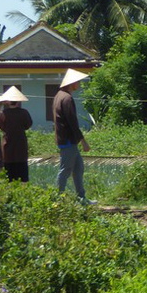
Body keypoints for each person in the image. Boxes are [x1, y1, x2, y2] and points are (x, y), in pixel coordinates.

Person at [53, 68, 91, 200]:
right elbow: (72, 122)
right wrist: (83, 141)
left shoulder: (59, 95)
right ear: (72, 83)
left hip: (65, 138)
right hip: (68, 139)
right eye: (78, 82)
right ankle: (57, 198)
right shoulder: (67, 98)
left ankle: (81, 197)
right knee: (65, 170)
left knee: (78, 168)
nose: (79, 84)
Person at [0, 86, 33, 182]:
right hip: (20, 147)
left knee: (8, 177)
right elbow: (28, 125)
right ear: (18, 101)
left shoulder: (2, 114)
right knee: (23, 178)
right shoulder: (24, 113)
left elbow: (1, 127)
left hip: (7, 147)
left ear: (8, 101)